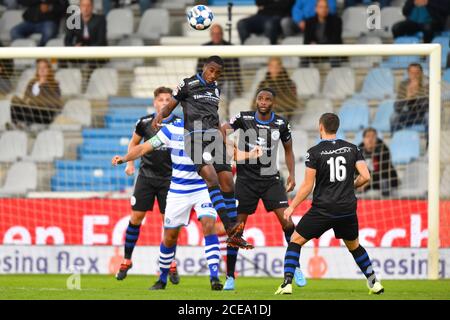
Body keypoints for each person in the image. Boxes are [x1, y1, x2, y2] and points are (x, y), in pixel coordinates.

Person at [111, 119, 262, 290]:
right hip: (178, 190)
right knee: (170, 236)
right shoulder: (170, 130)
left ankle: (214, 278)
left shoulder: (209, 129)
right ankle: (162, 279)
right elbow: (144, 147)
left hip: (203, 187)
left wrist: (250, 154)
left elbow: (229, 152)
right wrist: (124, 159)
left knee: (209, 225)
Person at [275, 113, 384, 295]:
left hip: (323, 210)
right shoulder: (352, 148)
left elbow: (307, 186)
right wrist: (351, 185)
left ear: (320, 127)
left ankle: (287, 283)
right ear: (337, 127)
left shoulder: (315, 152)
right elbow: (366, 176)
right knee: (354, 246)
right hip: (347, 209)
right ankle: (374, 282)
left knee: (295, 240)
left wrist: (292, 206)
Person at [152, 55, 253, 250]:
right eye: (211, 70)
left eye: (217, 73)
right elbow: (171, 106)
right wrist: (159, 116)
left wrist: (225, 141)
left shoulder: (216, 89)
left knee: (227, 182)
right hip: (195, 137)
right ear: (204, 67)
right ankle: (231, 228)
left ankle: (234, 235)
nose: (213, 75)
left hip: (214, 137)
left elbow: (214, 117)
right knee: (212, 179)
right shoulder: (188, 83)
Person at [220, 87, 307, 291]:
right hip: (245, 180)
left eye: (268, 99)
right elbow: (222, 129)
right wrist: (231, 145)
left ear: (273, 103)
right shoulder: (243, 117)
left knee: (287, 223)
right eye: (260, 98)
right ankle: (230, 277)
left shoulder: (281, 123)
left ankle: (295, 267)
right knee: (236, 230)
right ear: (256, 101)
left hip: (270, 179)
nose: (263, 101)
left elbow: (289, 151)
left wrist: (292, 175)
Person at [115, 87, 180, 283]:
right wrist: (129, 163)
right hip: (146, 177)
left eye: (168, 99)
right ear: (155, 102)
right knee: (136, 217)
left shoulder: (179, 123)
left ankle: (170, 263)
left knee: (169, 223)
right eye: (160, 99)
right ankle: (127, 260)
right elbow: (134, 144)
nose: (164, 102)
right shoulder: (144, 122)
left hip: (170, 179)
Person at [196, 24, 243, 109]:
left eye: (218, 33)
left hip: (226, 82)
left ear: (222, 34)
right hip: (208, 81)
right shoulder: (204, 48)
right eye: (214, 33)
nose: (216, 36)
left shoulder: (231, 48)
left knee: (228, 88)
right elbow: (199, 69)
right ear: (210, 35)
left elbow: (235, 71)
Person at [9, 59, 62, 127]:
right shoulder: (32, 82)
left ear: (49, 70)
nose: (42, 70)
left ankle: (23, 124)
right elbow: (26, 98)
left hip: (45, 112)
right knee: (15, 105)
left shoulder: (54, 84)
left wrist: (35, 101)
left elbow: (55, 102)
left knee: (31, 108)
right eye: (39, 67)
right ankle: (16, 125)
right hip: (31, 109)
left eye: (44, 67)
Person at [358, 128, 399, 196]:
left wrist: (367, 181)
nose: (370, 139)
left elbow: (383, 172)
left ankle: (386, 202)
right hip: (368, 181)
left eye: (373, 137)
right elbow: (356, 170)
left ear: (376, 139)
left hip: (385, 179)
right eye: (368, 136)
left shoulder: (384, 150)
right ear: (364, 139)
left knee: (383, 182)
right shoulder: (358, 151)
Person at [391, 63, 429, 135]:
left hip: (423, 114)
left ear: (421, 73)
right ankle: (396, 142)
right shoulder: (403, 85)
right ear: (408, 73)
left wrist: (417, 93)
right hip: (409, 114)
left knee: (429, 116)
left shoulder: (427, 84)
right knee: (393, 117)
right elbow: (397, 108)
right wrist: (407, 97)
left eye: (417, 73)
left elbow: (427, 107)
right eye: (411, 73)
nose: (414, 76)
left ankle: (429, 144)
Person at [302, 0, 342, 66]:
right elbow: (306, 41)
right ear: (316, 9)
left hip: (330, 51)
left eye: (326, 7)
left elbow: (336, 41)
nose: (324, 9)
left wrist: (317, 45)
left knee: (334, 55)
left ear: (328, 9)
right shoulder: (309, 22)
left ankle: (337, 74)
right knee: (304, 56)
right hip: (315, 52)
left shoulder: (336, 21)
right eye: (321, 7)